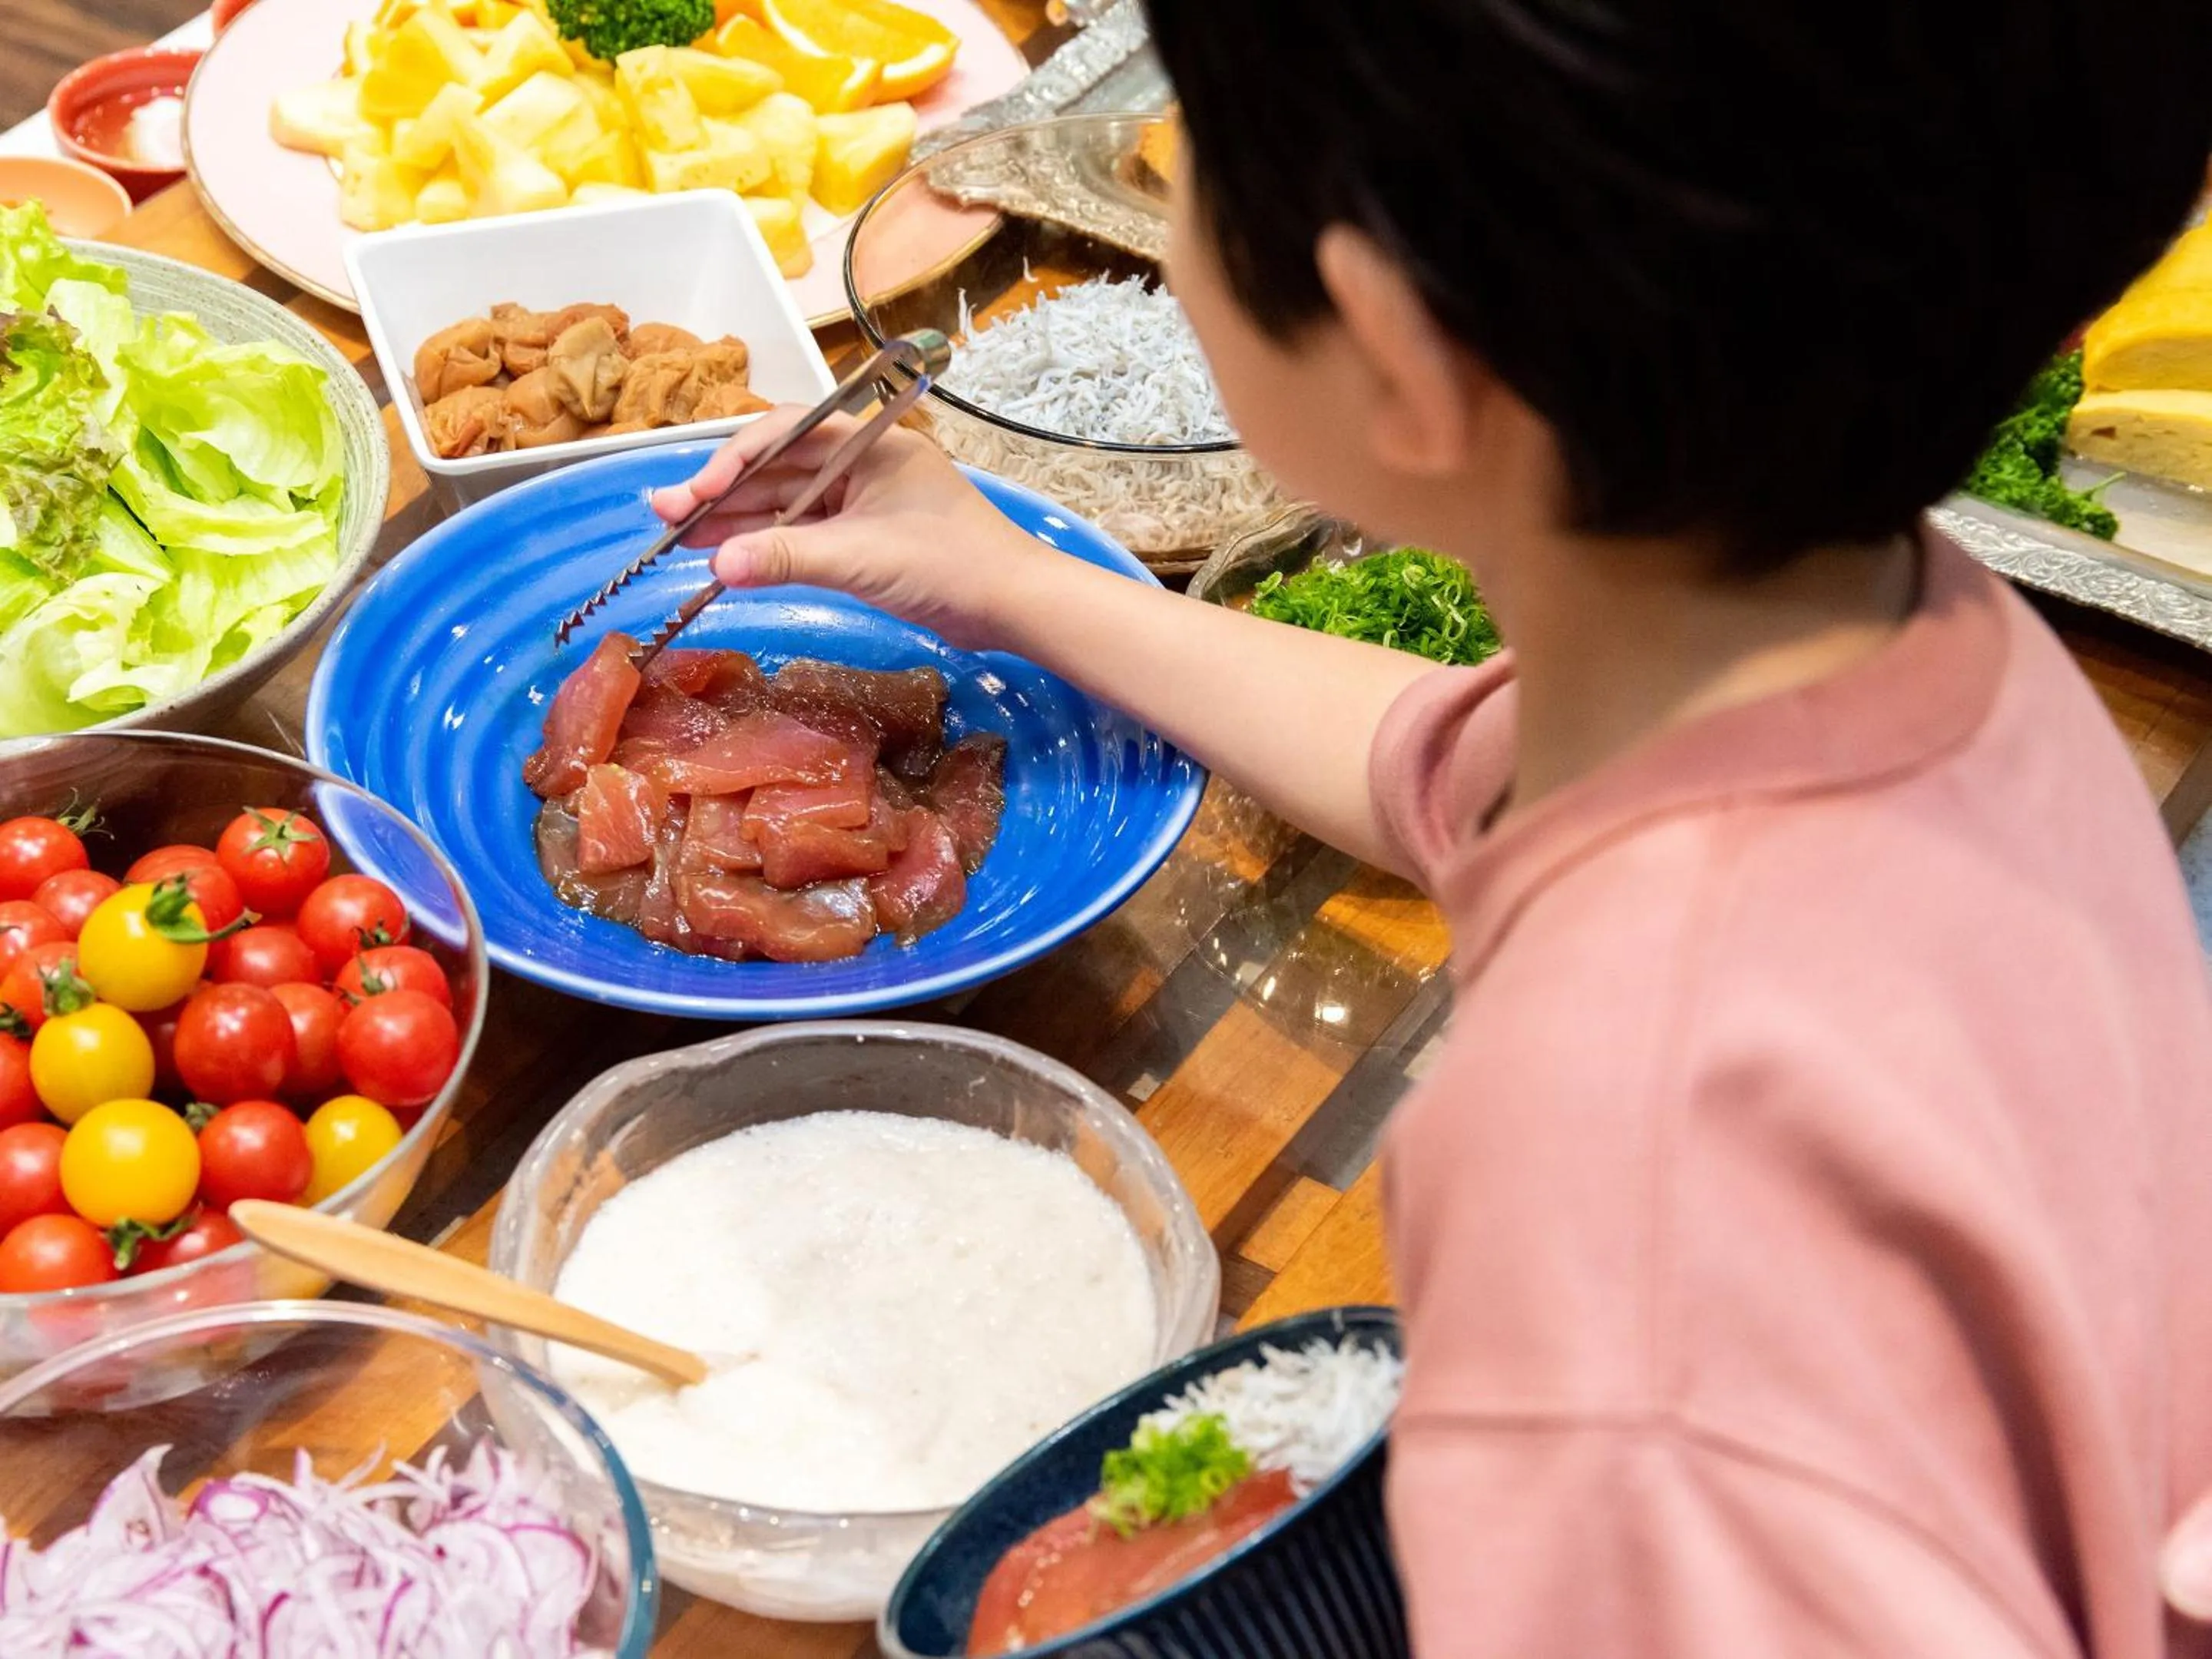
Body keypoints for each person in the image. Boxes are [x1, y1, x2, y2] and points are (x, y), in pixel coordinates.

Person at [654, 2, 2212, 1652]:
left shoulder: (1606, 1161)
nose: (1152, 192)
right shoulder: (1917, 643)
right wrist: (1018, 586)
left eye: (1191, 145)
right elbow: (1454, 764)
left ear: (1394, 352)